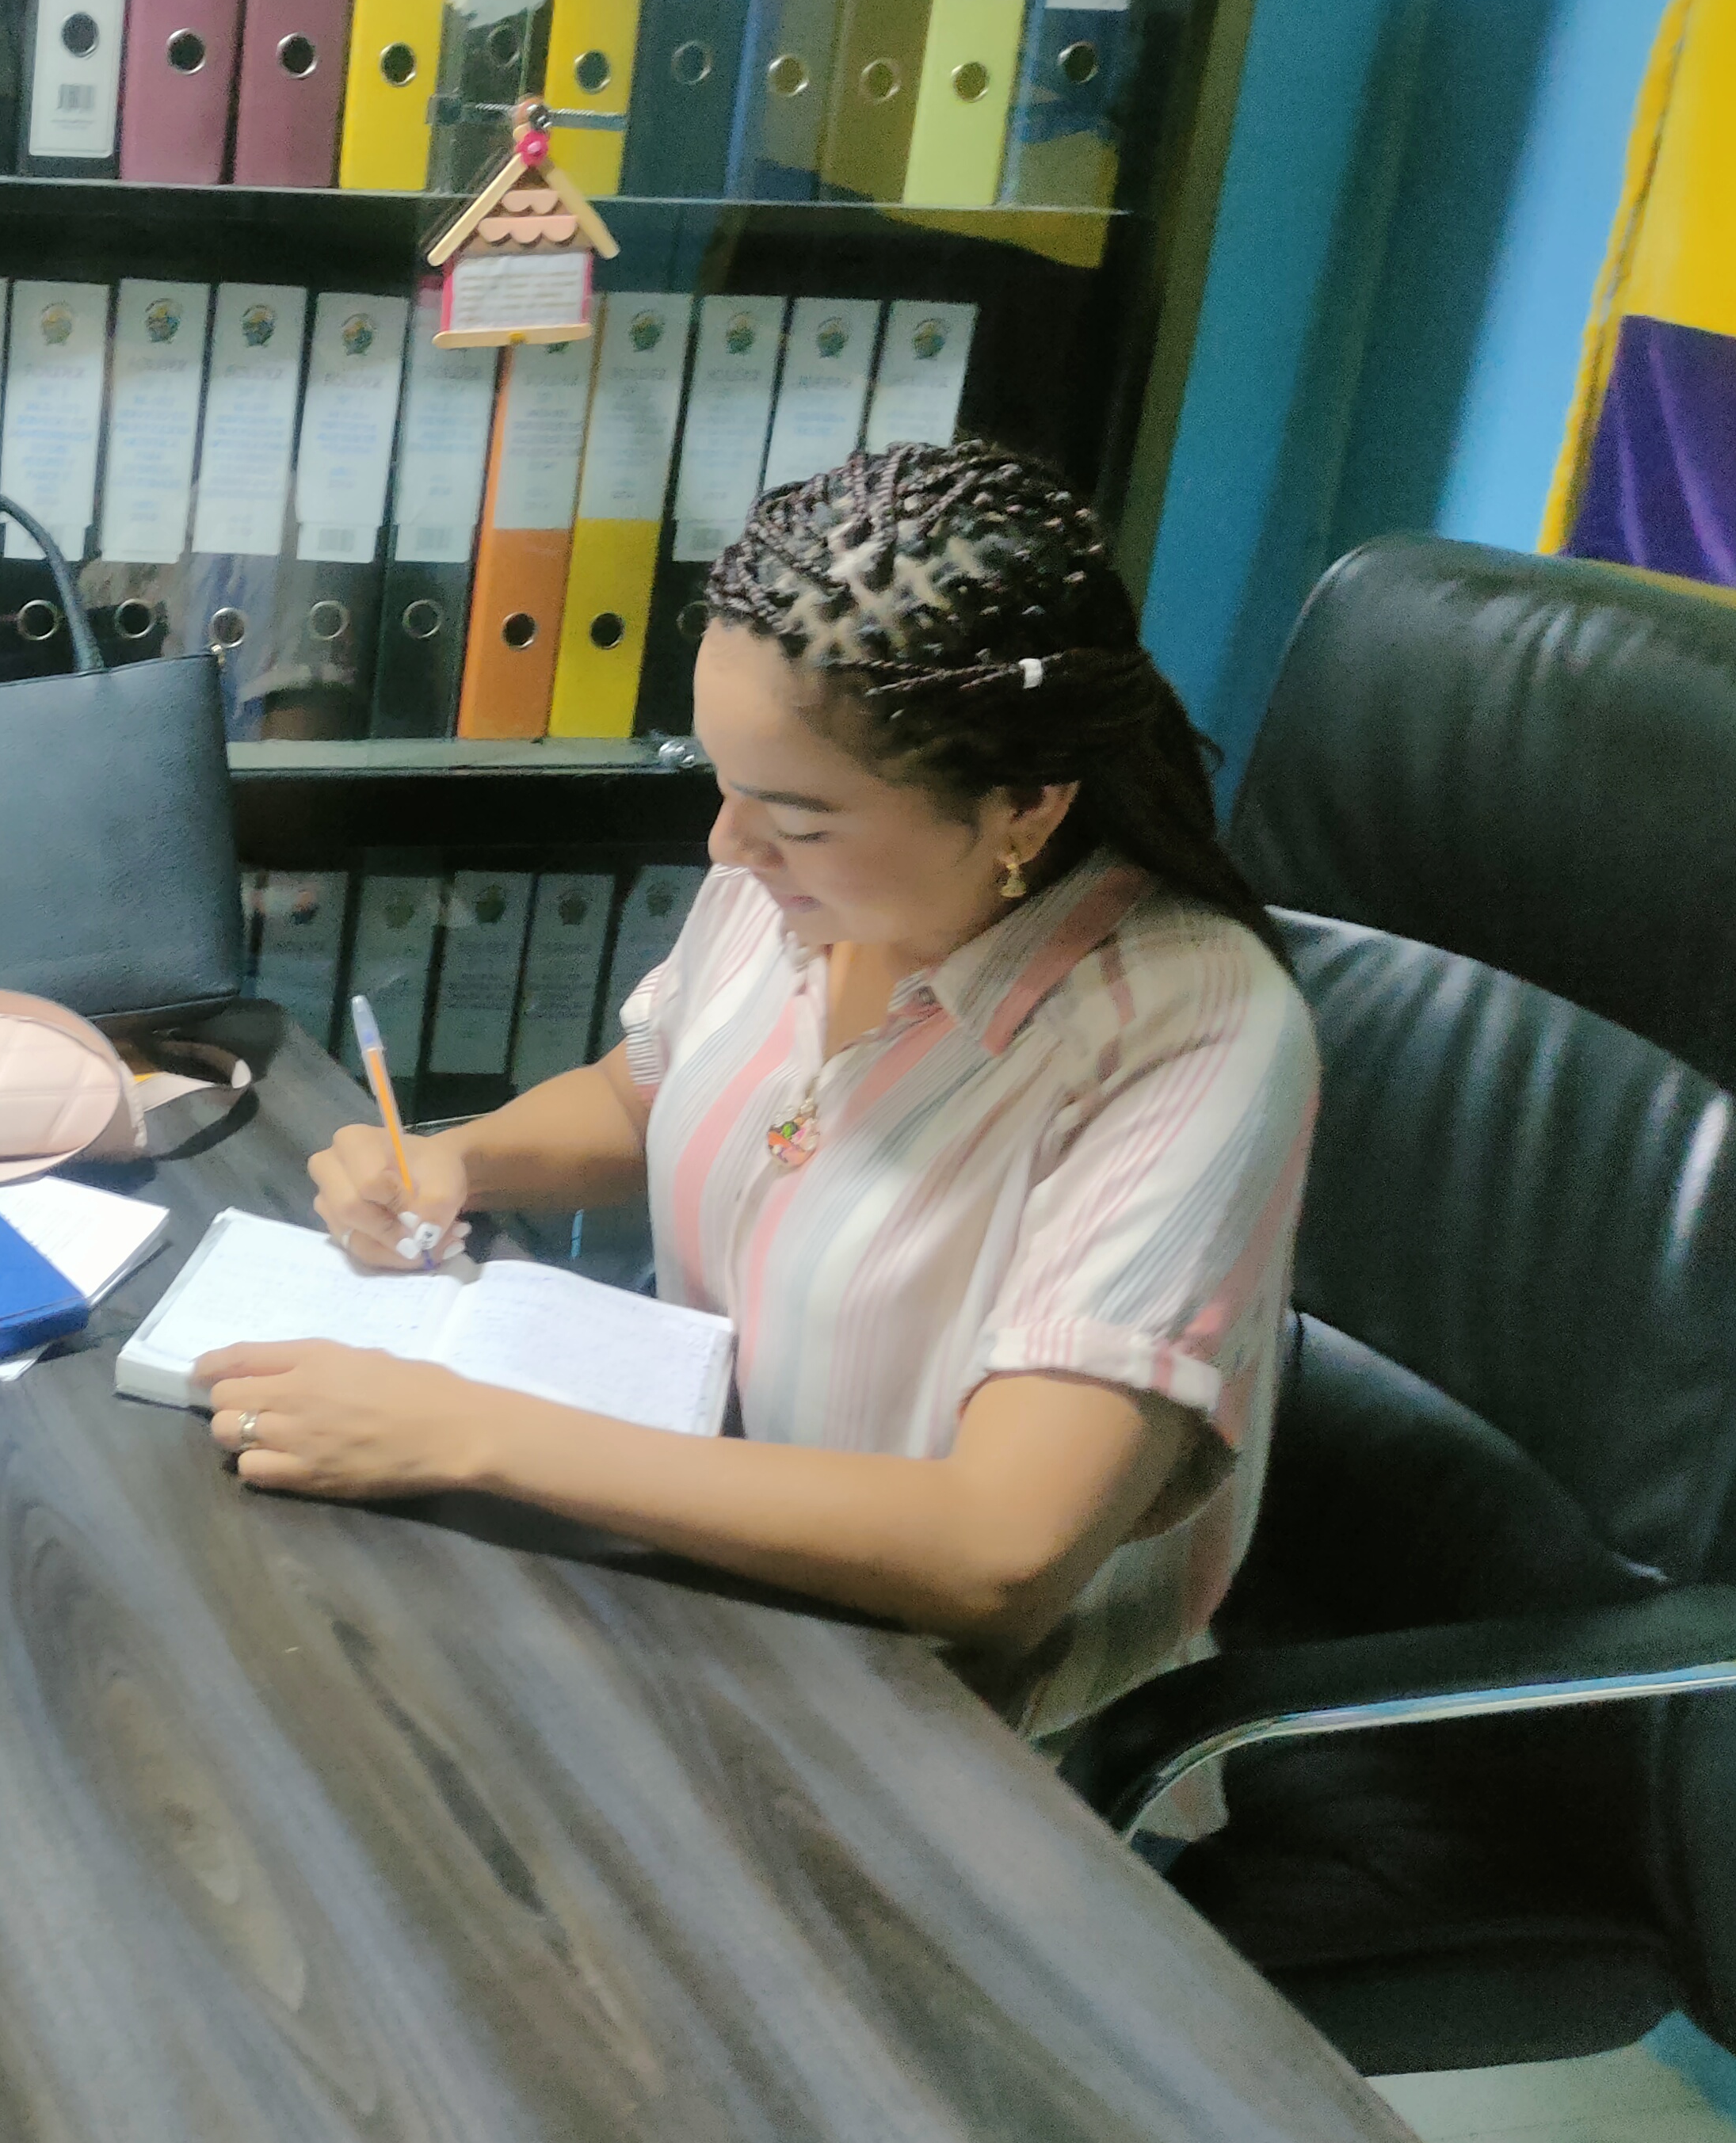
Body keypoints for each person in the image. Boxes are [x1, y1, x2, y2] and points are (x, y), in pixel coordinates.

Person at [199, 442, 1317, 1745]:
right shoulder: (795, 890)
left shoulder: (1188, 1030)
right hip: (712, 1588)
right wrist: (457, 1161)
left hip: (953, 1733)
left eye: (796, 815)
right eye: (723, 784)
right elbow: (647, 1095)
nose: (727, 847)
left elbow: (1000, 1555)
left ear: (1025, 808)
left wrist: (469, 1434)